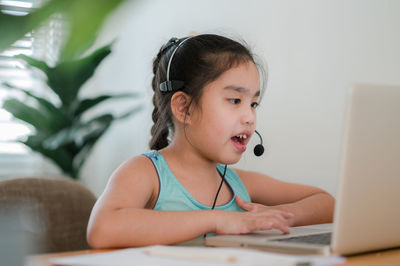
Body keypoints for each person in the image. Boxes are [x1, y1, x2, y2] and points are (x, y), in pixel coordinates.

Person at [87, 34, 334, 248]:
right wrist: (218, 219)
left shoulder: (238, 183)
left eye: (253, 104)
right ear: (184, 108)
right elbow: (102, 229)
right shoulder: (145, 173)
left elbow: (327, 203)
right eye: (235, 100)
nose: (250, 117)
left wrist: (284, 215)